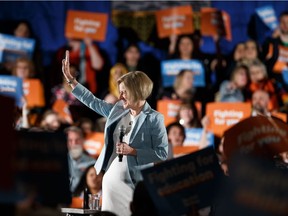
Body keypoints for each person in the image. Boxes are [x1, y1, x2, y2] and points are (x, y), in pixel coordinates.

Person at [62, 50, 168, 216]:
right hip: (111, 183)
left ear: (137, 91)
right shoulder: (118, 110)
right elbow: (93, 102)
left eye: (124, 91)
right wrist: (71, 81)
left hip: (134, 185)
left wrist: (133, 151)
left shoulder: (155, 118)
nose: (120, 96)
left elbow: (162, 153)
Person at [65, 126, 96, 193]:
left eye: (77, 140)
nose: (74, 143)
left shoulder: (92, 163)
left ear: (83, 140)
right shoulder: (59, 162)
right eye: (70, 140)